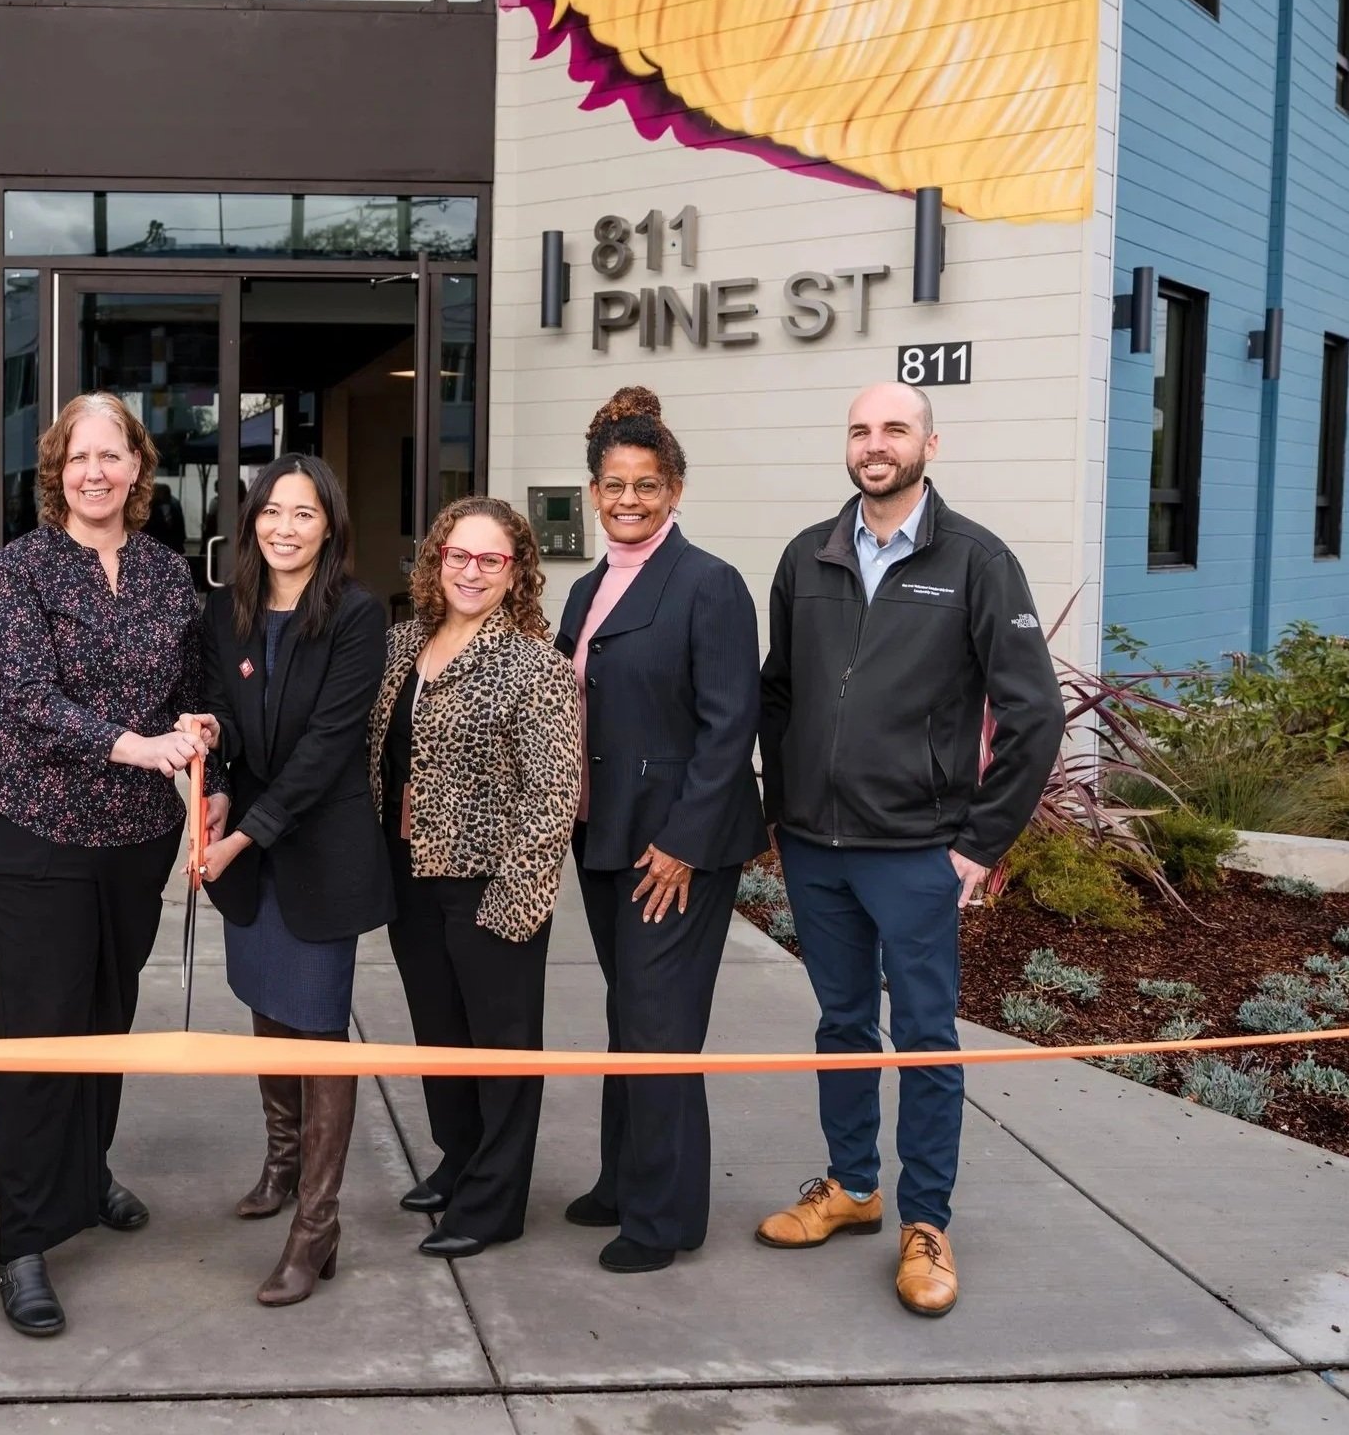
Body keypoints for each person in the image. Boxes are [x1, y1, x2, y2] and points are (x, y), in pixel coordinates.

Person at [756, 382, 1063, 1318]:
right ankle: (851, 1187)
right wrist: (786, 804)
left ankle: (925, 1223)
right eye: (859, 429)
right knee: (841, 1025)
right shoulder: (805, 556)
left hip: (916, 849)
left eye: (894, 428)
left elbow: (1033, 712)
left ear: (932, 442)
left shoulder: (975, 561)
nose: (874, 444)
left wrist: (977, 845)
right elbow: (780, 695)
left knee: (926, 1038)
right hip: (816, 846)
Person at [0, 391, 220, 1337]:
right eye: (79, 456)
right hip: (32, 828)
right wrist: (132, 744)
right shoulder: (20, 568)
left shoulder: (164, 572)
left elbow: (190, 691)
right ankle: (23, 1242)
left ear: (138, 469)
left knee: (108, 1018)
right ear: (55, 471)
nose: (96, 472)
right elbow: (23, 697)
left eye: (112, 455)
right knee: (41, 1031)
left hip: (132, 838)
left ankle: (84, 1176)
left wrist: (197, 726)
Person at [554, 389, 767, 1275]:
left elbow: (730, 726)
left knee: (658, 1026)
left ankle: (660, 1218)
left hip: (674, 848)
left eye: (646, 484)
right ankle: (621, 1179)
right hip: (606, 838)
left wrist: (681, 842)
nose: (628, 499)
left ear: (675, 489)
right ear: (594, 491)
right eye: (613, 484)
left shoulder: (707, 583)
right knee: (630, 1016)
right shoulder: (587, 585)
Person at [187, 453, 394, 1307]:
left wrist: (244, 839)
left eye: (304, 514)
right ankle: (280, 1164)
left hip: (318, 847)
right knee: (269, 1015)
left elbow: (328, 748)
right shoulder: (226, 612)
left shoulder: (355, 614)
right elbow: (228, 726)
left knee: (316, 1032)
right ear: (251, 520)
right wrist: (219, 791)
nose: (285, 528)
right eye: (272, 511)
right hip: (250, 846)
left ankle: (316, 1226)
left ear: (329, 526)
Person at [368, 496, 581, 1259]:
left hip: (491, 883)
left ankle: (493, 1203)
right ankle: (458, 1161)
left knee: (501, 1047)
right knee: (440, 1037)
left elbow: (552, 794)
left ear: (516, 571)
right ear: (436, 560)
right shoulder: (400, 645)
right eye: (459, 555)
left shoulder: (535, 665)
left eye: (491, 559)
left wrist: (518, 899)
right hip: (409, 872)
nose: (471, 570)